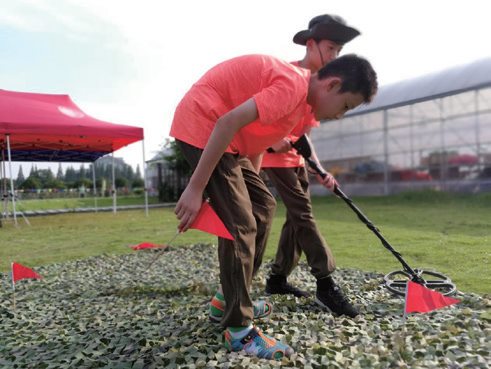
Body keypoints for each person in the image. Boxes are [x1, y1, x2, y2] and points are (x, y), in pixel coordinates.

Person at [169, 53, 377, 360]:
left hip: (229, 143)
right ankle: (239, 331)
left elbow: (252, 146)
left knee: (263, 205)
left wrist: (249, 191)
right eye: (345, 106)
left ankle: (229, 298)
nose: (340, 115)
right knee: (242, 224)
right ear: (332, 85)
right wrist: (196, 188)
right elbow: (227, 121)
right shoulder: (293, 86)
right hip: (204, 124)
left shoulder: (301, 104)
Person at [262, 14, 363, 318]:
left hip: (295, 160)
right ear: (311, 44)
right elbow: (259, 116)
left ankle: (277, 279)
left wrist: (322, 170)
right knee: (303, 216)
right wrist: (270, 141)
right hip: (273, 159)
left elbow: (303, 136)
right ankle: (326, 283)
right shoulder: (288, 74)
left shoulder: (321, 87)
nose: (334, 57)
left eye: (338, 52)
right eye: (331, 48)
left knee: (295, 221)